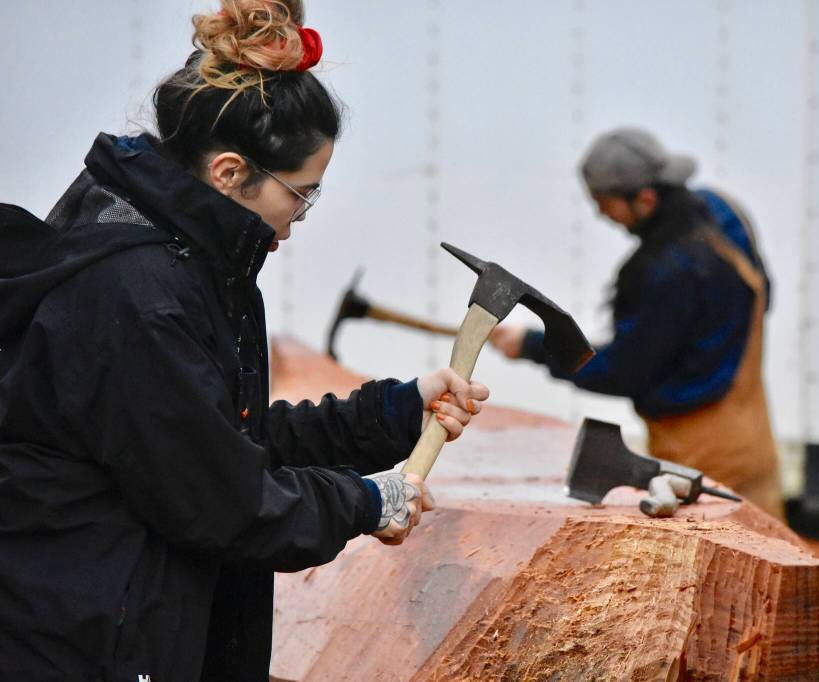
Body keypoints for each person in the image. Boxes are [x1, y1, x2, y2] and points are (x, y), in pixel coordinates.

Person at [0, 1, 489, 680]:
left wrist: (393, 413)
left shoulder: (196, 264)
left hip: (135, 615)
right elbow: (220, 498)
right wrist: (366, 501)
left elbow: (229, 436)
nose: (300, 218)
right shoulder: (135, 292)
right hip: (85, 640)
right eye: (302, 195)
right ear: (231, 173)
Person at [490, 127, 783, 519]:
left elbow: (622, 372)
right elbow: (764, 296)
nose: (600, 213)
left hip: (698, 456)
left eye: (603, 203)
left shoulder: (663, 271)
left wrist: (533, 346)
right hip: (755, 439)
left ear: (645, 198)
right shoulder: (723, 212)